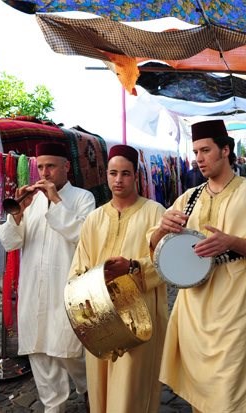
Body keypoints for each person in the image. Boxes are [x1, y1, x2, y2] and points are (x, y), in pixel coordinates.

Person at [149, 119, 246, 412]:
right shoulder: (189, 198)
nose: (199, 158)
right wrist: (162, 228)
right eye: (196, 152)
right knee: (200, 392)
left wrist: (231, 242)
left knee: (231, 391)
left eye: (206, 150)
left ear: (225, 150)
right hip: (193, 308)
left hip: (234, 305)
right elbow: (156, 248)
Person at [68, 145, 168, 413]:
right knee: (99, 383)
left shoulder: (155, 213)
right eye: (113, 173)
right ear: (106, 175)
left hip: (139, 314)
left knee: (131, 386)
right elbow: (78, 267)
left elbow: (166, 264)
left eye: (125, 173)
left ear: (136, 175)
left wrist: (133, 267)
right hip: (100, 316)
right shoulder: (94, 218)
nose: (118, 180)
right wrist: (94, 279)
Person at [0, 142, 95, 413]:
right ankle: (54, 408)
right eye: (40, 167)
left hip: (67, 289)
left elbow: (83, 236)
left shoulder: (83, 198)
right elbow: (10, 242)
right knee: (39, 350)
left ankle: (88, 387)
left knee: (69, 349)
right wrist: (17, 214)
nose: (44, 173)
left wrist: (56, 202)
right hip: (33, 290)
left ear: (66, 167)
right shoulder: (31, 201)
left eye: (50, 166)